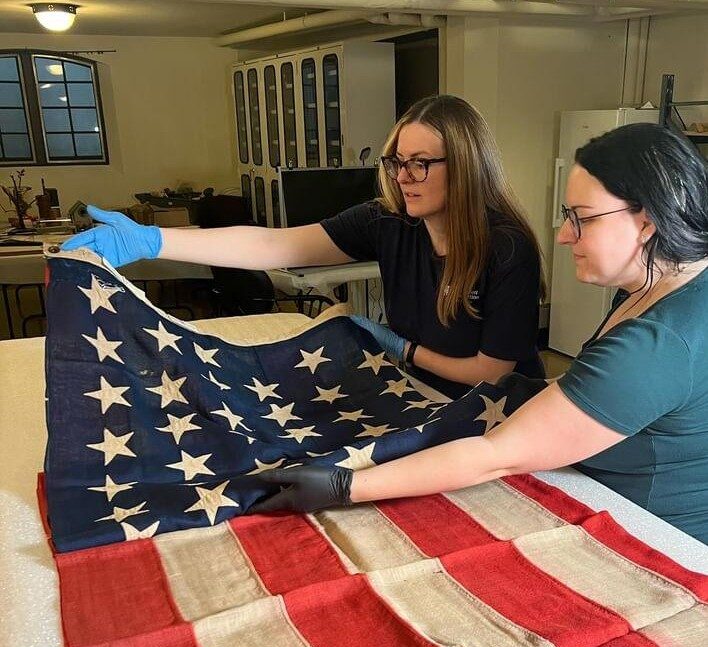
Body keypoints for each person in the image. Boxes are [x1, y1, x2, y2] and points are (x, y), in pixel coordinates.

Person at [248, 122, 708, 545]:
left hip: (653, 537)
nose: (565, 236)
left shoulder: (656, 343)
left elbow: (497, 454)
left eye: (581, 218)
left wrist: (345, 484)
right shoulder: (661, 286)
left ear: (646, 222)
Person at [62, 94, 545, 399]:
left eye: (420, 163)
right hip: (419, 392)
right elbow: (275, 246)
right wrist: (153, 240)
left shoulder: (506, 247)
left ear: (464, 165)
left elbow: (492, 372)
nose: (402, 177)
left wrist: (397, 345)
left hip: (495, 408)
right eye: (396, 161)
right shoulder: (389, 221)